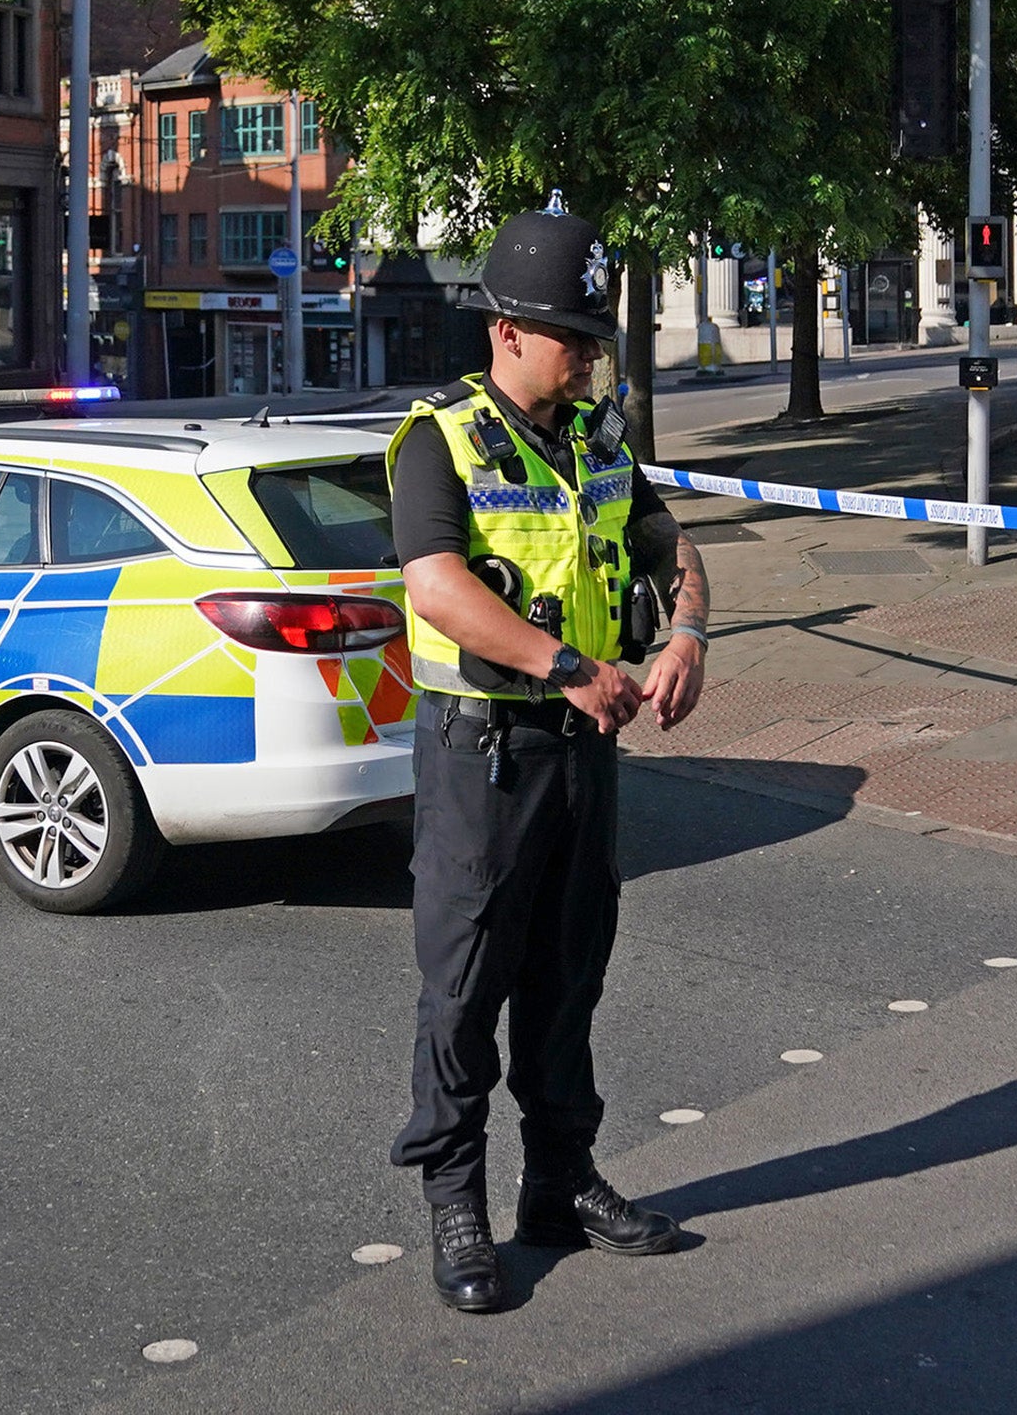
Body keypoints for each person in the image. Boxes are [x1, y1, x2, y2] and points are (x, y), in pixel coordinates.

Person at [385, 195, 712, 1312]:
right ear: (507, 330)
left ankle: (560, 1186)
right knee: (466, 985)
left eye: (596, 341)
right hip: (484, 753)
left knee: (569, 975)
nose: (588, 359)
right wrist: (568, 667)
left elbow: (672, 549)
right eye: (573, 340)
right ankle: (456, 1202)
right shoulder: (439, 439)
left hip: (582, 755)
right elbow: (435, 584)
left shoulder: (599, 436)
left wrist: (686, 634)